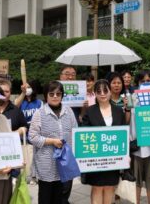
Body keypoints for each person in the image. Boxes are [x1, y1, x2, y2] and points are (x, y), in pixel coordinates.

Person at [29, 81, 78, 204]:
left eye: (58, 93)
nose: (55, 96)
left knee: (60, 198)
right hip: (46, 164)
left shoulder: (69, 111)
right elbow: (33, 137)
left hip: (65, 163)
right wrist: (51, 141)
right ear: (46, 95)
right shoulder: (39, 114)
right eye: (51, 94)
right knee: (45, 198)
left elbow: (75, 133)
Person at [82, 79, 126, 204]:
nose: (102, 93)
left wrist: (125, 155)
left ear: (110, 92)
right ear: (95, 94)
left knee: (110, 187)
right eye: (99, 91)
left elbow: (123, 134)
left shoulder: (118, 111)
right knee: (97, 187)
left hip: (113, 158)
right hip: (96, 158)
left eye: (105, 90)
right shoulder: (90, 111)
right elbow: (84, 134)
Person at [131, 69, 150, 204]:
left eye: (149, 81)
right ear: (137, 83)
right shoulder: (132, 98)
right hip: (136, 146)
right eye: (143, 81)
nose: (146, 84)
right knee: (135, 180)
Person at [58, 65, 81, 203]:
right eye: (67, 74)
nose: (70, 77)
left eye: (73, 74)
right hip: (57, 141)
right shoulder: (55, 92)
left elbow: (82, 118)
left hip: (73, 139)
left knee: (69, 174)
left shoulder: (79, 92)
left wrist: (83, 107)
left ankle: (65, 199)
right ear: (61, 76)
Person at [15, 80, 43, 184]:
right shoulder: (21, 101)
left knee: (35, 156)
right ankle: (24, 176)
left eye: (29, 87)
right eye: (25, 87)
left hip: (35, 134)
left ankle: (34, 176)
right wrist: (22, 93)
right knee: (25, 156)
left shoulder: (39, 103)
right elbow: (15, 106)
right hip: (23, 135)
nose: (27, 89)